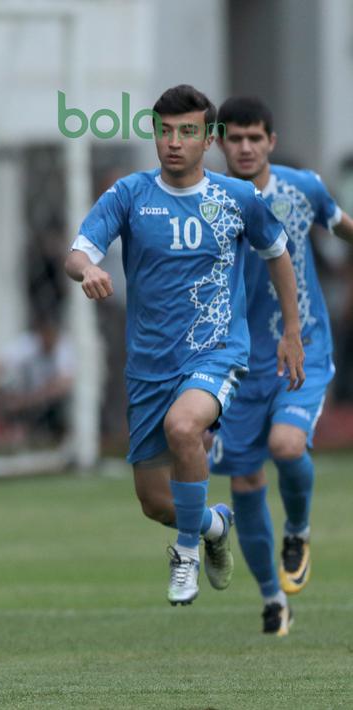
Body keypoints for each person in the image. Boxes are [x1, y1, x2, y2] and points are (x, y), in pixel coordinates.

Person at [65, 84, 304, 607]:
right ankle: (214, 525)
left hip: (216, 352)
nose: (174, 142)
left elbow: (278, 254)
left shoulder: (237, 197)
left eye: (187, 132)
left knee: (184, 426)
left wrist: (291, 332)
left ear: (208, 138)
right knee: (155, 503)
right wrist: (88, 271)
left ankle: (187, 555)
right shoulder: (129, 194)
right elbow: (78, 252)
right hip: (149, 366)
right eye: (165, 131)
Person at [211, 96, 353, 634]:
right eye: (235, 138)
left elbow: (339, 224)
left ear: (271, 141)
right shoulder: (207, 201)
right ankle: (273, 599)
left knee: (287, 445)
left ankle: (297, 530)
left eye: (255, 138)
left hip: (303, 347)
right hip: (237, 361)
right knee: (245, 478)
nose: (245, 147)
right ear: (220, 143)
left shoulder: (302, 188)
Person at [0, 314, 74, 443]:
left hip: (47, 400)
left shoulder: (65, 348)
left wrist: (29, 400)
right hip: (23, 393)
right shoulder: (28, 343)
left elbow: (63, 384)